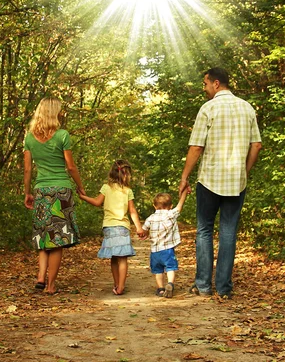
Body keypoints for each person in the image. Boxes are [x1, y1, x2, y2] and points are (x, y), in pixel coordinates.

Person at [179, 67, 262, 298]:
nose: (204, 89)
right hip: (237, 182)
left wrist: (185, 176)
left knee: (204, 230)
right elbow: (256, 145)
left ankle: (204, 286)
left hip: (209, 180)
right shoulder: (247, 107)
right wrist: (244, 171)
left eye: (205, 84)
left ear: (216, 83)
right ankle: (224, 288)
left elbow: (196, 147)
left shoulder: (209, 108)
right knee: (228, 232)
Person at [24, 97, 86, 295]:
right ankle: (50, 286)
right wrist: (80, 186)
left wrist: (27, 192)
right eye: (59, 110)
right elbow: (70, 166)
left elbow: (27, 169)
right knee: (57, 239)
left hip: (41, 190)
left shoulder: (29, 137)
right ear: (54, 113)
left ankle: (40, 278)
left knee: (43, 237)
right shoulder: (62, 135)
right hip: (61, 191)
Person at [78, 160, 146, 295]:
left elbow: (97, 202)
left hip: (108, 227)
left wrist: (83, 197)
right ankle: (120, 287)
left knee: (114, 258)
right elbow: (132, 210)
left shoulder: (106, 187)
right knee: (123, 258)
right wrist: (139, 228)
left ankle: (116, 284)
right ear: (127, 175)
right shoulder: (128, 191)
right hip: (122, 227)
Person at [142, 188, 189, 298]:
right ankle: (170, 284)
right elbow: (180, 205)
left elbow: (143, 230)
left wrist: (143, 233)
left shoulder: (151, 218)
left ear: (154, 206)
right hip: (168, 250)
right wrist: (184, 192)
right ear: (171, 205)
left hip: (155, 251)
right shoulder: (171, 214)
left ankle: (161, 289)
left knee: (158, 271)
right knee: (170, 268)